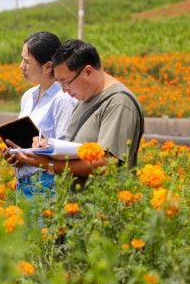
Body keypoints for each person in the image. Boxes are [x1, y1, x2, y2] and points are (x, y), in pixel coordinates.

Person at [12, 39, 144, 188]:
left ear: (88, 71)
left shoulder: (118, 102)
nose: (63, 90)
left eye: (66, 82)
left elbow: (106, 163)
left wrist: (49, 164)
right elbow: (76, 148)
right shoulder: (85, 98)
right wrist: (46, 147)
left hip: (101, 206)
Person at [1, 32, 77, 210]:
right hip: (23, 183)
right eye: (22, 60)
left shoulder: (63, 98)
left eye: (27, 62)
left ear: (48, 66)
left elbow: (66, 151)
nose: (21, 67)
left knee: (42, 238)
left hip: (47, 185)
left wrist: (34, 154)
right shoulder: (28, 96)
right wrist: (15, 155)